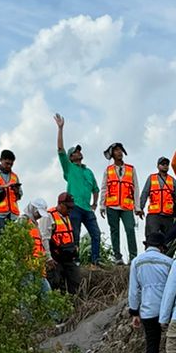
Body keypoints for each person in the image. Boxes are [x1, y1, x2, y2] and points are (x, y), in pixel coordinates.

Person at [54, 113, 101, 265]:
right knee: (75, 234)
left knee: (96, 234)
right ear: (70, 157)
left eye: (79, 151)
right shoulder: (69, 168)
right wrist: (60, 128)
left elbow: (96, 189)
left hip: (87, 208)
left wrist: (95, 203)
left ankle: (95, 261)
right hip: (74, 207)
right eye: (75, 152)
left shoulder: (88, 171)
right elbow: (60, 148)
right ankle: (76, 260)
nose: (78, 152)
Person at [127, 237, 173, 353]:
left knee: (152, 345)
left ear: (146, 246)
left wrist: (134, 312)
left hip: (148, 310)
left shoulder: (137, 261)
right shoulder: (169, 261)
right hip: (168, 310)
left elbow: (134, 290)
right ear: (161, 247)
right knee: (173, 345)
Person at [103, 143, 139, 263]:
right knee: (114, 231)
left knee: (130, 229)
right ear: (112, 154)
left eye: (121, 150)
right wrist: (102, 205)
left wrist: (137, 207)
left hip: (127, 206)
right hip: (112, 206)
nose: (119, 152)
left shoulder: (131, 169)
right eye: (116, 150)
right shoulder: (108, 170)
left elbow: (136, 188)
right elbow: (104, 188)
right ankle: (117, 257)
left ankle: (133, 257)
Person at [140, 156, 176, 250]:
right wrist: (140, 208)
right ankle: (149, 255)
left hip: (168, 215)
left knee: (168, 239)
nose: (165, 166)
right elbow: (145, 193)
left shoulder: (172, 180)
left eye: (167, 164)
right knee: (151, 236)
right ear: (158, 166)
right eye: (163, 164)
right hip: (154, 214)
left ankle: (166, 257)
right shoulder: (151, 178)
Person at [47, 192, 81, 297]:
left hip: (68, 256)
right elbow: (45, 238)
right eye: (68, 207)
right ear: (61, 204)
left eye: (71, 208)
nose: (70, 210)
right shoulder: (49, 216)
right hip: (56, 257)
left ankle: (74, 305)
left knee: (75, 281)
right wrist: (48, 257)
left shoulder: (67, 216)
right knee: (56, 283)